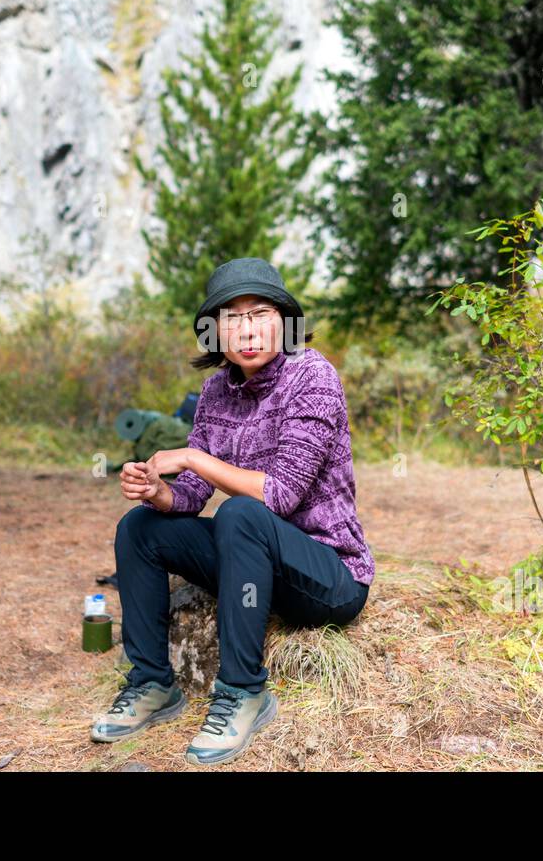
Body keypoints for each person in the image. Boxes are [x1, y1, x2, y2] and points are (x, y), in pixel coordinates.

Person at [90, 257, 375, 766]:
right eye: (230, 318)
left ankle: (244, 692)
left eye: (258, 313)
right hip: (255, 564)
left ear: (285, 321)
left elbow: (281, 494)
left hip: (327, 575)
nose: (245, 329)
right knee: (140, 529)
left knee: (240, 514)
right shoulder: (217, 391)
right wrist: (157, 490)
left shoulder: (312, 376)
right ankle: (153, 683)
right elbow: (193, 493)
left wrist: (193, 456)